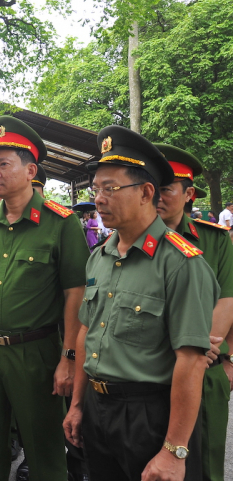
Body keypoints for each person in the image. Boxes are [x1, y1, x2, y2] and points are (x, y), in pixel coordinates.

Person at [62, 127, 217, 481]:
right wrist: (77, 406)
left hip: (150, 415)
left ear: (147, 192)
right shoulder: (98, 257)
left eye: (110, 188)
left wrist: (174, 451)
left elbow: (191, 362)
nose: (99, 199)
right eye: (96, 189)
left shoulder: (181, 263)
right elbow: (86, 331)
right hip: (98, 408)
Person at [0, 116, 90, 481]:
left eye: (3, 165)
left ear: (31, 170)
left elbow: (75, 293)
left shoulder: (61, 224)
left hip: (35, 353)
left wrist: (69, 358)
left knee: (43, 449)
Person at [153, 143, 233, 481]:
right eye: (152, 188)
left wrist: (209, 354)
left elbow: (227, 299)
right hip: (152, 369)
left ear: (189, 195)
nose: (157, 196)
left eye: (167, 189)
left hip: (207, 366)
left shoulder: (215, 241)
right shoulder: (133, 240)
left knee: (205, 464)